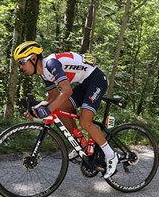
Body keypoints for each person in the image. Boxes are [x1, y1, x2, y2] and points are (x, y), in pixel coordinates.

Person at [12, 41, 118, 179]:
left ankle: (111, 156)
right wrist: (38, 111)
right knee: (60, 111)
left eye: (21, 62)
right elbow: (54, 97)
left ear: (33, 58)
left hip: (96, 80)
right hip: (84, 83)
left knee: (85, 122)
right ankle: (82, 145)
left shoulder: (51, 64)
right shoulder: (43, 73)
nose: (20, 67)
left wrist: (48, 109)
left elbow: (66, 90)